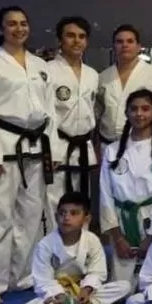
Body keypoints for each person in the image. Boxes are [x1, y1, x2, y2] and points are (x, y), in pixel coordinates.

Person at [0, 6, 63, 304]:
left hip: (37, 147)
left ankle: (23, 275)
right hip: (4, 145)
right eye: (11, 24)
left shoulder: (40, 65)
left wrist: (53, 149)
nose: (18, 29)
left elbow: (51, 112)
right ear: (0, 29)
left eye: (23, 23)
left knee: (31, 217)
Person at [98, 89, 152, 290]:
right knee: (120, 289)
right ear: (126, 112)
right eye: (133, 109)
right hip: (122, 224)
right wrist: (117, 238)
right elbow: (106, 195)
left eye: (145, 109)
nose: (139, 114)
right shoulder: (113, 150)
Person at [16, 192, 129, 304]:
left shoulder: (92, 240)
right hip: (58, 294)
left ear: (86, 218)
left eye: (74, 213)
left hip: (82, 291)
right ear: (56, 217)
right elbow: (43, 281)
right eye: (62, 213)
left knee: (125, 287)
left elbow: (97, 272)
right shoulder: (45, 245)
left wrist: (87, 289)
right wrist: (62, 298)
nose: (66, 217)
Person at [46, 16, 100, 234]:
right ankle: (54, 251)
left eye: (82, 36)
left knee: (82, 204)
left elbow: (91, 113)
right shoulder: (48, 70)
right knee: (55, 205)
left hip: (83, 149)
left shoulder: (92, 74)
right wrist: (50, 151)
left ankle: (81, 250)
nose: (76, 41)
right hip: (58, 147)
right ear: (59, 40)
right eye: (70, 36)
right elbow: (45, 114)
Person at [96, 24, 152, 147]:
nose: (124, 45)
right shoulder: (103, 77)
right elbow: (98, 113)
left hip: (142, 143)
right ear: (114, 47)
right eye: (119, 42)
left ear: (138, 46)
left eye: (130, 41)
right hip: (107, 142)